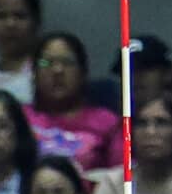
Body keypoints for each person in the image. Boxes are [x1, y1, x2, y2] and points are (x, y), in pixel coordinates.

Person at [25, 32, 121, 170]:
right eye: (46, 63)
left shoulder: (107, 122)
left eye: (68, 62)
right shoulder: (20, 118)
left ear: (83, 73)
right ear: (33, 73)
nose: (57, 70)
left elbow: (120, 177)